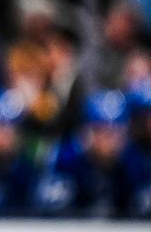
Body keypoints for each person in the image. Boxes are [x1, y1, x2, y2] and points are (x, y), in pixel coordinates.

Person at [36, 90, 151, 218]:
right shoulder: (67, 160)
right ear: (86, 131)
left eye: (115, 131)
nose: (109, 140)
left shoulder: (135, 162)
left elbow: (143, 208)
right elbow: (49, 212)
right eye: (100, 130)